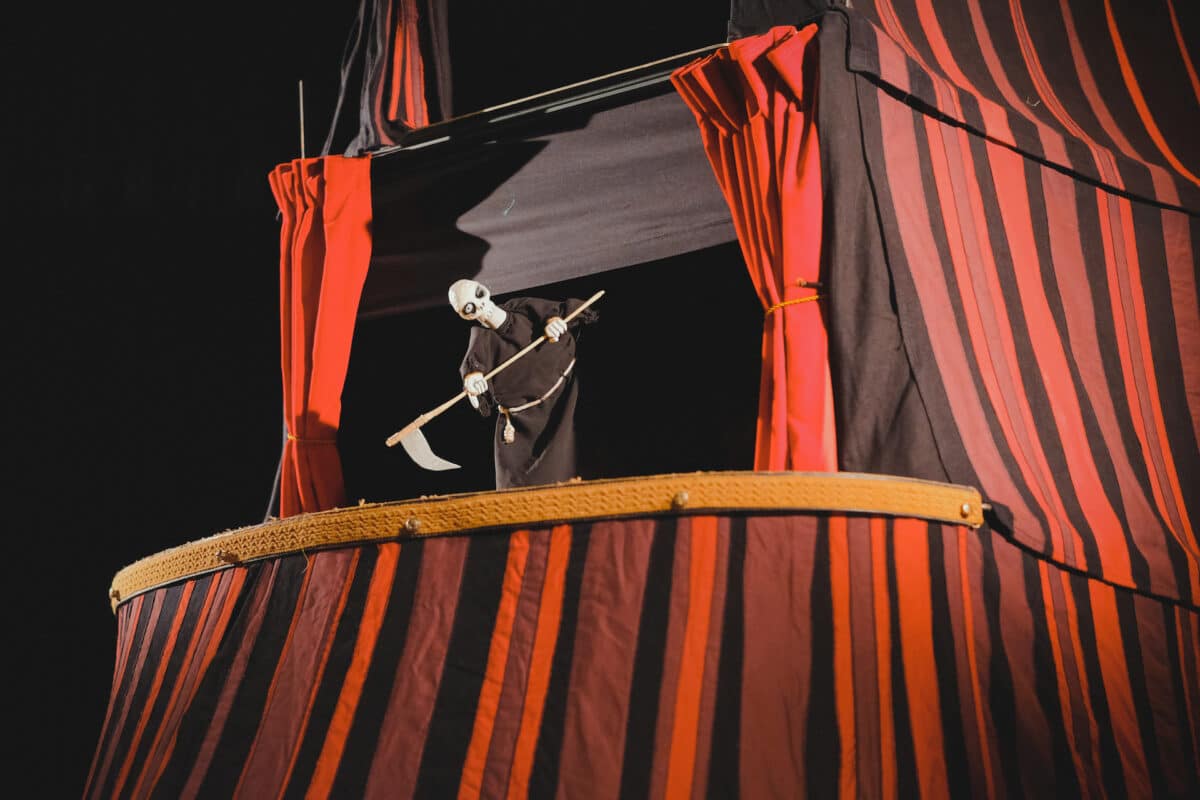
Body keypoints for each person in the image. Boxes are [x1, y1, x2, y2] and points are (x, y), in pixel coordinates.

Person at [448, 279, 598, 488]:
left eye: (478, 295)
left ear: (486, 291)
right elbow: (472, 369)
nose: (480, 306)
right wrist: (473, 382)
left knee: (574, 466)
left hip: (564, 401)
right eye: (469, 308)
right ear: (464, 314)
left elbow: (553, 312)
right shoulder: (482, 338)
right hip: (522, 427)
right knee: (521, 486)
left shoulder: (519, 307)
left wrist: (554, 322)